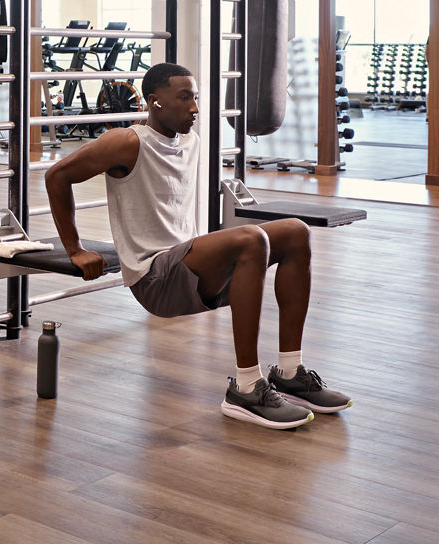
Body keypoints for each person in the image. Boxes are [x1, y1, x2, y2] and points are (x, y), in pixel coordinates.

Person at [44, 62, 352, 430]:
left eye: (196, 98)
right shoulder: (126, 142)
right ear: (154, 102)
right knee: (252, 238)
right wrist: (75, 248)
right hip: (155, 278)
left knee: (296, 232)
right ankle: (247, 387)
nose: (194, 107)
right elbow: (56, 176)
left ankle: (288, 372)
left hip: (190, 267)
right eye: (184, 97)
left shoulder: (191, 141)